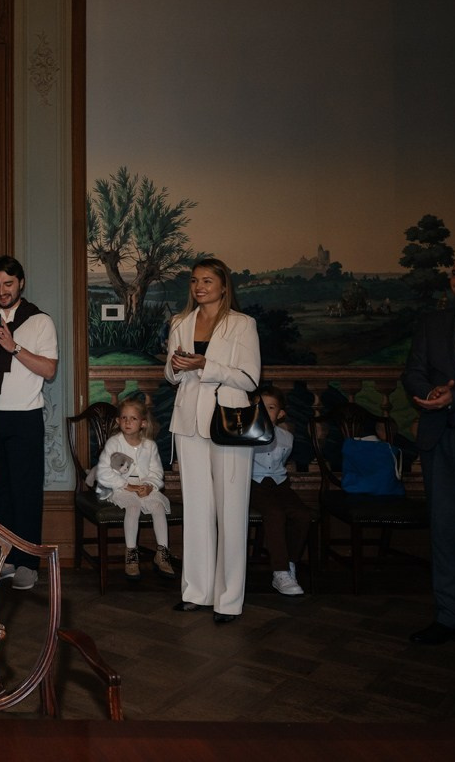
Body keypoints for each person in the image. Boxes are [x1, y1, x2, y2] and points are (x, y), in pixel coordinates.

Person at [164, 258, 260, 624]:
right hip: (188, 422)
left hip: (228, 422)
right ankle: (196, 592)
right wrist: (176, 366)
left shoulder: (242, 324)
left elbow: (250, 379)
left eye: (207, 280)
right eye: (194, 281)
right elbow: (171, 375)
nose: (199, 287)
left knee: (231, 511)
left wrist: (205, 365)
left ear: (223, 286)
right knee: (196, 510)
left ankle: (228, 599)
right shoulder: (180, 322)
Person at [0, 256, 58, 590]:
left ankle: (28, 562)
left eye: (8, 284)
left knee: (26, 492)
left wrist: (13, 346)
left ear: (21, 283)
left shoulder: (40, 322)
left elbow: (49, 370)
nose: (2, 291)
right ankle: (4, 558)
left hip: (25, 417)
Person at [401, 248, 455, 645]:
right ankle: (449, 618)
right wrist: (428, 393)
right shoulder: (433, 322)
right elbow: (413, 371)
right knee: (444, 532)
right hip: (438, 439)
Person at [95, 396, 174, 581]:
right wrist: (127, 485)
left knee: (158, 507)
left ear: (143, 423)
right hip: (121, 487)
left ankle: (162, 553)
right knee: (133, 507)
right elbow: (103, 472)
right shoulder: (114, 443)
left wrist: (149, 486)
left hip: (144, 487)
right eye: (124, 418)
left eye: (133, 418)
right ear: (118, 421)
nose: (128, 422)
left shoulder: (150, 446)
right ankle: (131, 555)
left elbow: (156, 472)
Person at [249, 384, 311, 597]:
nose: (264, 411)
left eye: (271, 407)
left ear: (281, 413)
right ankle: (280, 571)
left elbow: (281, 464)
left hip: (279, 483)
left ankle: (290, 562)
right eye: (259, 406)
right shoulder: (246, 435)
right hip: (254, 483)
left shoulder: (287, 438)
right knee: (274, 513)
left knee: (302, 515)